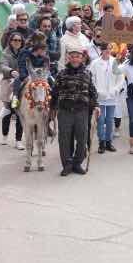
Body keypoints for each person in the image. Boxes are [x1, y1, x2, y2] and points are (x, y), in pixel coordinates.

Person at [54, 48, 100, 176]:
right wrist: (52, 109)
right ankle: (67, 165)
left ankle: (77, 163)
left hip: (82, 112)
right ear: (69, 58)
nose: (75, 59)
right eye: (72, 56)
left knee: (82, 138)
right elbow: (55, 92)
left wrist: (96, 105)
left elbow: (92, 92)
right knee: (64, 140)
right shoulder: (61, 74)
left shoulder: (87, 74)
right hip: (65, 111)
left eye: (77, 57)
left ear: (82, 58)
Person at [90, 45, 125, 153]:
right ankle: (101, 142)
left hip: (112, 96)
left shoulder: (115, 62)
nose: (107, 51)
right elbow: (92, 78)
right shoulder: (95, 63)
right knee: (100, 120)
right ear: (101, 50)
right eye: (105, 49)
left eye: (109, 49)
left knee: (110, 119)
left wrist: (116, 89)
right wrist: (97, 91)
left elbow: (121, 77)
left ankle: (109, 141)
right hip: (100, 96)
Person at [0, 32, 27, 149]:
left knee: (20, 113)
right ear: (10, 41)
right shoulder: (5, 53)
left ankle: (18, 140)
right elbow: (2, 65)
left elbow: (29, 65)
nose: (17, 42)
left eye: (19, 40)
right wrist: (11, 71)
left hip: (22, 83)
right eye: (15, 40)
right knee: (7, 111)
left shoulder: (25, 53)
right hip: (8, 81)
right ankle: (4, 135)